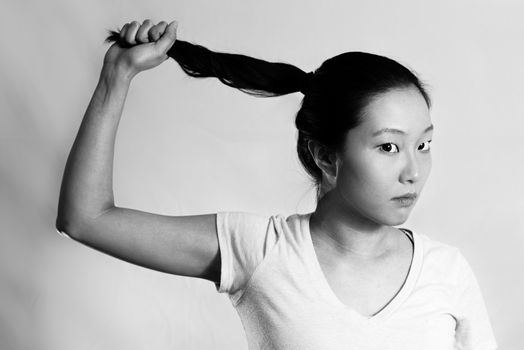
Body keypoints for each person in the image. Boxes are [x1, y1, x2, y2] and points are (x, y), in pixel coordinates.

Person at [55, 19, 498, 350]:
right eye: (388, 147)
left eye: (424, 145)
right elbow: (86, 218)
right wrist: (116, 79)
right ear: (327, 156)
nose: (413, 172)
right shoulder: (261, 250)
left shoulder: (447, 271)